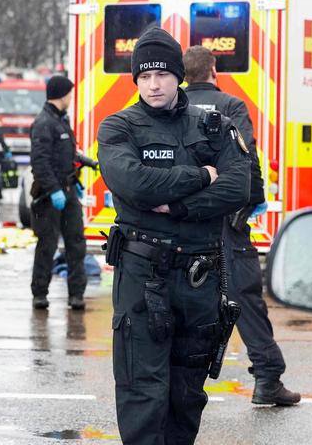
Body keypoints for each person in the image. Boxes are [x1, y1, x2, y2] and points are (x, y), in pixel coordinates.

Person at [97, 27, 252, 444]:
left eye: (162, 75)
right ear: (135, 80)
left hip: (199, 276)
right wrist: (200, 175)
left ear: (178, 75)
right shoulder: (118, 127)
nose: (153, 84)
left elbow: (240, 186)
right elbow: (133, 184)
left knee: (187, 393)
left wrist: (181, 205)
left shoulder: (214, 126)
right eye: (144, 77)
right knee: (142, 391)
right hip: (143, 273)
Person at [182, 45, 301, 406]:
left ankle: (184, 384)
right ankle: (267, 378)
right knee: (244, 297)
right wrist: (253, 200)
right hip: (226, 220)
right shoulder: (231, 106)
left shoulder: (176, 108)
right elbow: (246, 155)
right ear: (213, 70)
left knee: (184, 300)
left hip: (185, 219)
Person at [29, 74, 88, 310]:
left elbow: (65, 153)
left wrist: (84, 162)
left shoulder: (61, 120)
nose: (71, 99)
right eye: (70, 94)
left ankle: (76, 295)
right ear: (62, 95)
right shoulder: (44, 123)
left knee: (76, 243)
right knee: (47, 245)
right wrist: (54, 190)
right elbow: (40, 162)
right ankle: (39, 293)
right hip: (49, 195)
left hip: (68, 190)